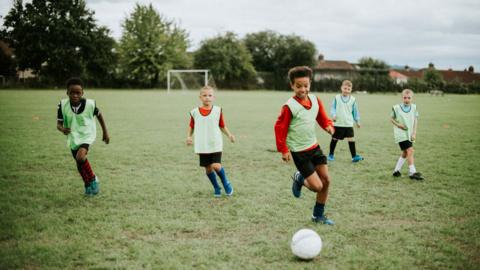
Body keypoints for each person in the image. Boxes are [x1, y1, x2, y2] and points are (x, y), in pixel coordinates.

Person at [274, 66, 336, 225]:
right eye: (298, 86)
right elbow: (280, 128)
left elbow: (323, 118)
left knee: (326, 181)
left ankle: (318, 216)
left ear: (310, 84)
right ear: (292, 86)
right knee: (316, 186)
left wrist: (329, 126)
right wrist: (284, 149)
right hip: (299, 152)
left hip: (314, 148)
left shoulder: (315, 99)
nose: (303, 89)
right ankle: (299, 177)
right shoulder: (289, 106)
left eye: (306, 85)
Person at [57, 77, 110, 195]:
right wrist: (62, 129)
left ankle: (92, 179)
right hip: (73, 136)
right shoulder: (62, 105)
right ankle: (87, 184)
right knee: (78, 162)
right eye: (72, 93)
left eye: (78, 93)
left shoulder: (90, 104)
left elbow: (100, 115)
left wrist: (105, 132)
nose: (75, 95)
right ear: (67, 93)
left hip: (87, 134)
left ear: (82, 93)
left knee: (80, 157)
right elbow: (58, 124)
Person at [186, 86, 236, 197]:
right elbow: (191, 126)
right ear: (200, 97)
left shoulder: (217, 110)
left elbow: (222, 125)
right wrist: (189, 137)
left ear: (213, 97)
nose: (207, 98)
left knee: (216, 166)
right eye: (204, 95)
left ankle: (225, 182)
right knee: (208, 168)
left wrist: (229, 135)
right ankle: (216, 187)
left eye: (210, 95)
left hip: (215, 143)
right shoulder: (195, 112)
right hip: (202, 144)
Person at [390, 89, 424, 180]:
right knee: (410, 150)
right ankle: (412, 172)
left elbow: (416, 120)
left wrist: (414, 132)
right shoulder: (396, 108)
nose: (407, 99)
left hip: (409, 134)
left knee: (405, 152)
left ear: (412, 98)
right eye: (405, 97)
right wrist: (398, 125)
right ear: (402, 98)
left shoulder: (414, 107)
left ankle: (396, 171)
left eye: (409, 98)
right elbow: (391, 119)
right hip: (400, 134)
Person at [328, 80, 364, 162]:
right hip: (338, 123)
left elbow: (355, 111)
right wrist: (333, 115)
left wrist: (357, 121)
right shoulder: (337, 98)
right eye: (345, 88)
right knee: (334, 139)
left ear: (351, 90)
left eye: (348, 89)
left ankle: (354, 156)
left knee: (351, 139)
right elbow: (332, 108)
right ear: (341, 88)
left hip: (348, 124)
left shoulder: (353, 100)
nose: (346, 90)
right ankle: (331, 154)